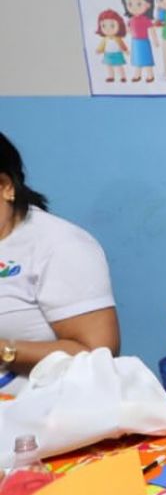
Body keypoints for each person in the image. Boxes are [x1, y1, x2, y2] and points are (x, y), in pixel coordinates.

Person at [0, 133, 119, 394]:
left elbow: (97, 353)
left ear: (6, 186)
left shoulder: (60, 245)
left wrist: (6, 351)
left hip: (38, 416)